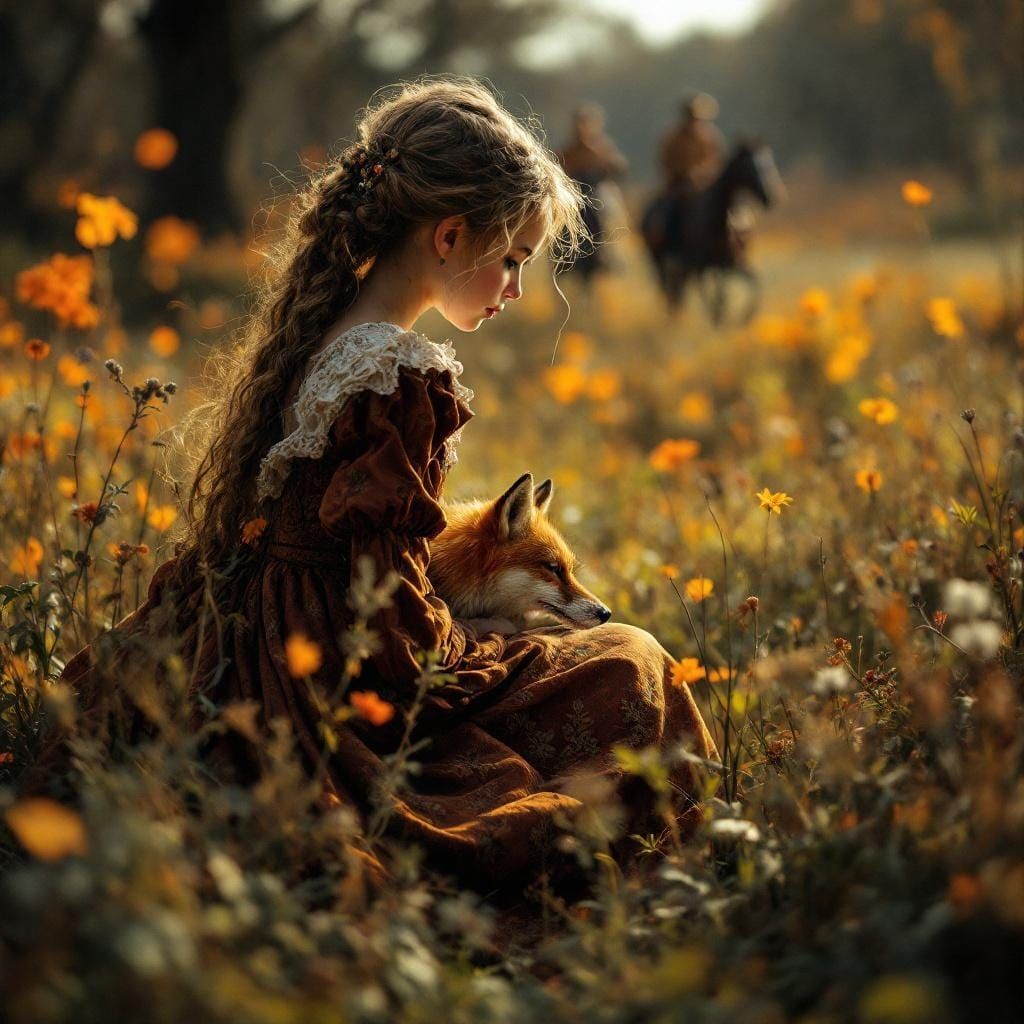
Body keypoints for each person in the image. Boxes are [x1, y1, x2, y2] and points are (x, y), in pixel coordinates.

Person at [46, 78, 717, 893]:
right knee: (631, 661)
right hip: (341, 661)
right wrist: (476, 649)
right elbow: (387, 597)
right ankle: (643, 860)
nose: (515, 289)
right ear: (449, 236)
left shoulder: (323, 334)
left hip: (266, 634)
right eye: (511, 261)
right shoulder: (399, 376)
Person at [558, 104, 628, 278]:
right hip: (574, 190)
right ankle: (560, 252)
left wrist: (610, 166)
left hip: (596, 189)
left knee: (604, 210)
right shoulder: (568, 150)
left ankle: (606, 251)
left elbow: (617, 166)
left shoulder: (602, 147)